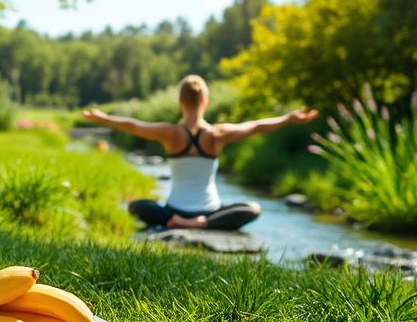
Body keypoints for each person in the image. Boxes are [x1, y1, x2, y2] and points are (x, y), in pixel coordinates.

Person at [81, 75, 317, 231]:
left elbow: (132, 125)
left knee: (135, 206)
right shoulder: (217, 134)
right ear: (205, 100)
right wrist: (288, 118)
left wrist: (103, 117)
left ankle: (178, 223)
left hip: (173, 212)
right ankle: (203, 223)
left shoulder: (170, 133)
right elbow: (255, 126)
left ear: (180, 101)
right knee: (253, 209)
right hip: (210, 212)